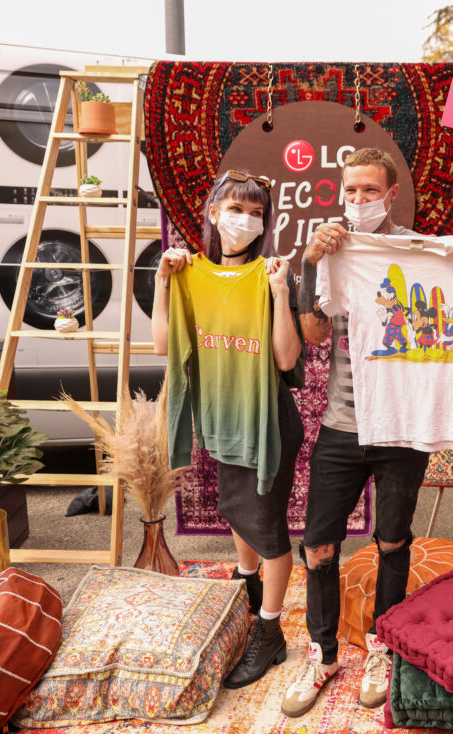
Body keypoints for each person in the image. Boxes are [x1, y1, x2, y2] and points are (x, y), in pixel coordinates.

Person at [286, 147, 453, 717]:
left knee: (393, 541)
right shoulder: (340, 252)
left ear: (391, 194)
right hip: (343, 426)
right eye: (351, 191)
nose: (359, 201)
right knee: (318, 545)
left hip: (403, 430)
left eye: (370, 190)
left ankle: (382, 650)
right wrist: (312, 262)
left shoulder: (426, 253)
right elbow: (314, 335)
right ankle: (322, 652)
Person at [152, 169, 304, 689]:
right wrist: (162, 281)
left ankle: (270, 631)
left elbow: (287, 358)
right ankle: (249, 591)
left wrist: (282, 294)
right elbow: (162, 346)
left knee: (268, 528)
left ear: (265, 224)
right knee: (235, 510)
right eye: (236, 210)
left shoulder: (274, 274)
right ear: (213, 214)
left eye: (256, 213)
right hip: (220, 416)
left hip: (268, 422)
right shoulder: (190, 273)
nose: (246, 221)